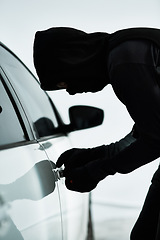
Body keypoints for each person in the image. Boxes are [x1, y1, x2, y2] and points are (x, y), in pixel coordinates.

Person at [33, 27, 160, 240]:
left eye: (63, 82)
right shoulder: (127, 50)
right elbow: (146, 133)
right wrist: (95, 155)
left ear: (73, 59)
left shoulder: (126, 61)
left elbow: (156, 139)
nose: (72, 92)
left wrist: (97, 170)